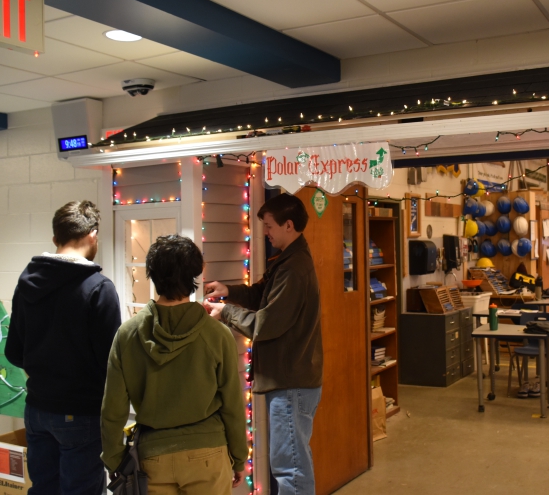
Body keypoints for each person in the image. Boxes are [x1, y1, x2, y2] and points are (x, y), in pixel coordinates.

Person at [101, 234, 247, 494]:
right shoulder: (217, 335)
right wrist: (238, 457)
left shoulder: (127, 335)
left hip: (152, 458)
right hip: (209, 454)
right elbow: (232, 405)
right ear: (194, 276)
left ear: (152, 275)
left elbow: (113, 408)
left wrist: (114, 458)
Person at [204, 193, 322, 495]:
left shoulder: (294, 269)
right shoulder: (287, 260)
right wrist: (228, 291)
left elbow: (266, 324)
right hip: (289, 381)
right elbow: (262, 296)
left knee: (290, 469)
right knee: (291, 465)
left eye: (269, 226)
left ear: (289, 225)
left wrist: (225, 312)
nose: (266, 232)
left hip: (290, 384)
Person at [5, 201, 121, 494]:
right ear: (93, 235)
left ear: (55, 238)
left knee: (43, 489)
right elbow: (111, 362)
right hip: (81, 413)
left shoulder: (25, 282)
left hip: (37, 410)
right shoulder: (98, 288)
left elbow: (14, 351)